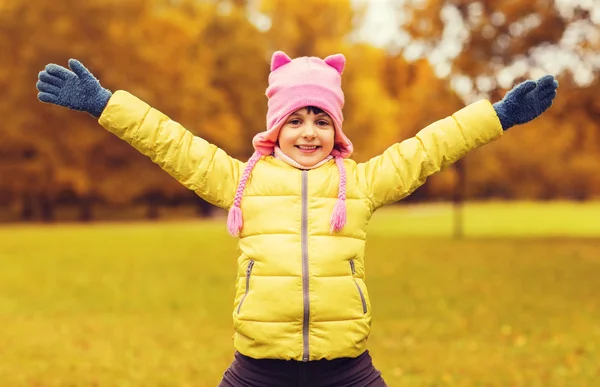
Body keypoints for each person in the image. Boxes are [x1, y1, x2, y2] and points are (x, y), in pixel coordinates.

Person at [36, 50, 558, 387]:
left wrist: (498, 115)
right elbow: (174, 144)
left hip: (346, 370)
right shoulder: (242, 179)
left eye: (321, 120)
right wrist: (105, 104)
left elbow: (430, 148)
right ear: (276, 127)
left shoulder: (361, 183)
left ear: (337, 129)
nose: (309, 132)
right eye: (296, 120)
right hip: (257, 369)